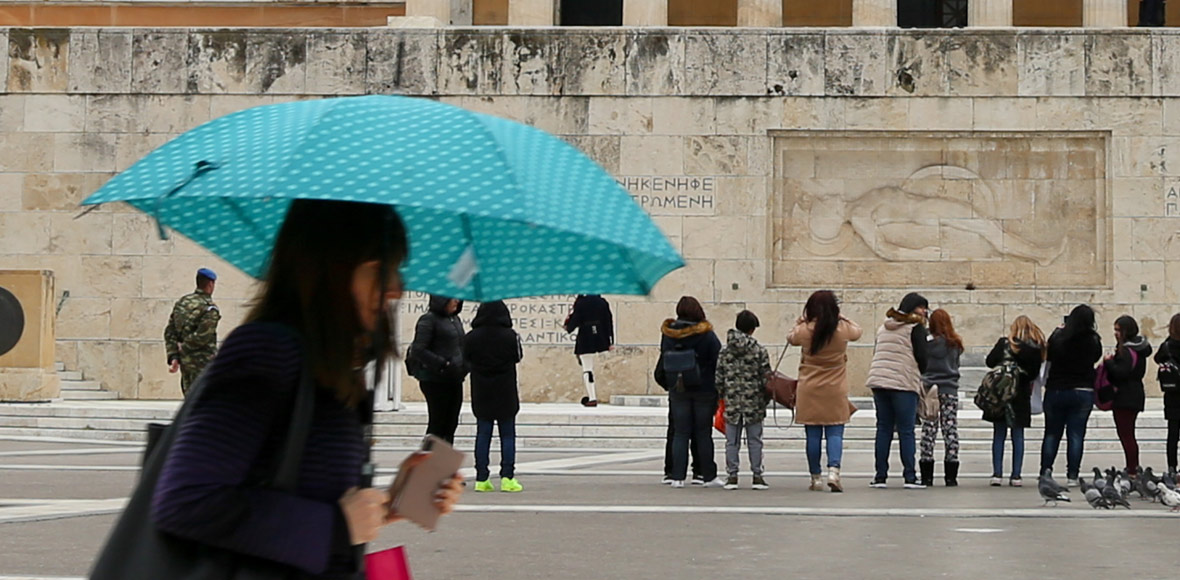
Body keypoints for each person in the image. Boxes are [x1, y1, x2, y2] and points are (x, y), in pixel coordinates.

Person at [151, 200, 462, 579]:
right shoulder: (265, 352)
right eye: (381, 270)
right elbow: (186, 501)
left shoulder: (329, 367)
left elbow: (310, 497)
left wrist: (390, 503)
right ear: (331, 271)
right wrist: (336, 524)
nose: (396, 289)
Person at [788, 290, 862, 493]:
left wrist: (801, 321)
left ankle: (816, 477)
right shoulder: (842, 329)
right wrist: (842, 317)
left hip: (809, 388)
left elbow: (791, 337)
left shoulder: (805, 330)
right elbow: (858, 330)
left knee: (812, 435)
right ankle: (834, 472)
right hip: (835, 388)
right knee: (835, 432)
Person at [656, 296, 723, 489]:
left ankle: (676, 476)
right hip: (704, 389)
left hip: (678, 389)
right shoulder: (706, 334)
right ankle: (706, 475)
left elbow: (664, 360)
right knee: (703, 433)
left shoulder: (668, 334)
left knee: (680, 433)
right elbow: (717, 359)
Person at [866, 292, 929, 489]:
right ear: (913, 309)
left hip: (880, 382)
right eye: (922, 307)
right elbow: (923, 358)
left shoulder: (883, 327)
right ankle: (910, 476)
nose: (925, 311)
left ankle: (880, 476)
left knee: (883, 428)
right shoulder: (915, 328)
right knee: (906, 430)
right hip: (902, 383)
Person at [463, 300, 524, 493]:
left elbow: (465, 358)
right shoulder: (510, 336)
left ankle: (482, 478)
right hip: (505, 390)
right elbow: (517, 356)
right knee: (507, 435)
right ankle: (507, 477)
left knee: (483, 434)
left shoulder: (471, 337)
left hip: (482, 390)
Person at [1040, 304, 1103, 486]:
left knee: (1052, 433)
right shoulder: (1092, 339)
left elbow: (1048, 354)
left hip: (1057, 389)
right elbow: (1095, 357)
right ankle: (1072, 475)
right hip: (1083, 390)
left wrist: (1056, 332)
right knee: (1076, 435)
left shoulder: (1059, 338)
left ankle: (1046, 471)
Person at [984, 315, 1046, 487]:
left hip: (1001, 395)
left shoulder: (1004, 344)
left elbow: (989, 362)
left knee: (999, 434)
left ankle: (997, 474)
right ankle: (1016, 475)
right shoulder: (1033, 349)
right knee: (1018, 435)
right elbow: (1034, 374)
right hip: (1020, 396)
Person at [716, 310, 772, 491]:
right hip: (753, 402)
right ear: (751, 329)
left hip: (731, 401)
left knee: (732, 441)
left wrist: (722, 395)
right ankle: (757, 476)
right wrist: (765, 399)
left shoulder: (725, 351)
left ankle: (732, 476)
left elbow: (719, 378)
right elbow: (766, 379)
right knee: (755, 440)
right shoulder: (759, 350)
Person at [410, 295, 468, 445]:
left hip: (454, 379)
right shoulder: (428, 320)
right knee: (437, 424)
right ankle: (428, 463)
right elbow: (418, 349)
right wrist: (443, 364)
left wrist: (465, 366)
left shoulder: (455, 319)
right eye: (452, 298)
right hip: (435, 380)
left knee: (451, 423)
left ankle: (443, 463)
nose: (457, 301)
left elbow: (460, 346)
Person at [919, 309, 963, 487]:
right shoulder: (955, 343)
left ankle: (926, 474)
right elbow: (956, 365)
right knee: (950, 430)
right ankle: (951, 475)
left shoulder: (926, 343)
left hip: (930, 389)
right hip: (949, 389)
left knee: (929, 430)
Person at [1104, 315, 1152, 478]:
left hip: (1124, 396)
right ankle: (1132, 467)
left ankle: (1132, 470)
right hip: (1135, 393)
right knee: (1128, 433)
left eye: (1118, 330)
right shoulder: (1139, 348)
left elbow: (1121, 372)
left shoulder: (1127, 349)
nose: (1115, 333)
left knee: (1126, 434)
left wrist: (1109, 362)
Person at [164, 267, 221, 396]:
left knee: (189, 399)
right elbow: (203, 336)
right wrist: (183, 347)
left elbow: (170, 331)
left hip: (186, 363)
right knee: (204, 400)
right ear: (211, 284)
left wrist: (174, 355)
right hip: (203, 362)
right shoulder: (209, 308)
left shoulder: (182, 303)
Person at [563, 294, 614, 407]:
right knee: (588, 366)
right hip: (600, 336)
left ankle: (592, 397)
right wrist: (610, 341)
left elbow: (574, 321)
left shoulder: (581, 302)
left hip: (586, 336)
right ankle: (591, 397)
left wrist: (568, 326)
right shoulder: (602, 302)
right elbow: (608, 321)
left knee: (587, 368)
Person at [1155, 313, 1180, 475]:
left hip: (1173, 394)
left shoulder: (1167, 346)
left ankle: (1172, 468)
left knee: (1172, 434)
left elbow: (1157, 359)